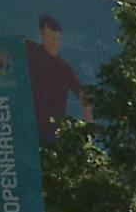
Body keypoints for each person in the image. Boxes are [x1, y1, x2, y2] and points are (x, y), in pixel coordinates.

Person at [25, 15, 89, 146]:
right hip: (27, 123)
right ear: (42, 35)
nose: (54, 44)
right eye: (50, 38)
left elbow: (82, 92)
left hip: (52, 130)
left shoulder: (64, 69)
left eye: (57, 40)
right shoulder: (31, 50)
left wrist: (89, 118)